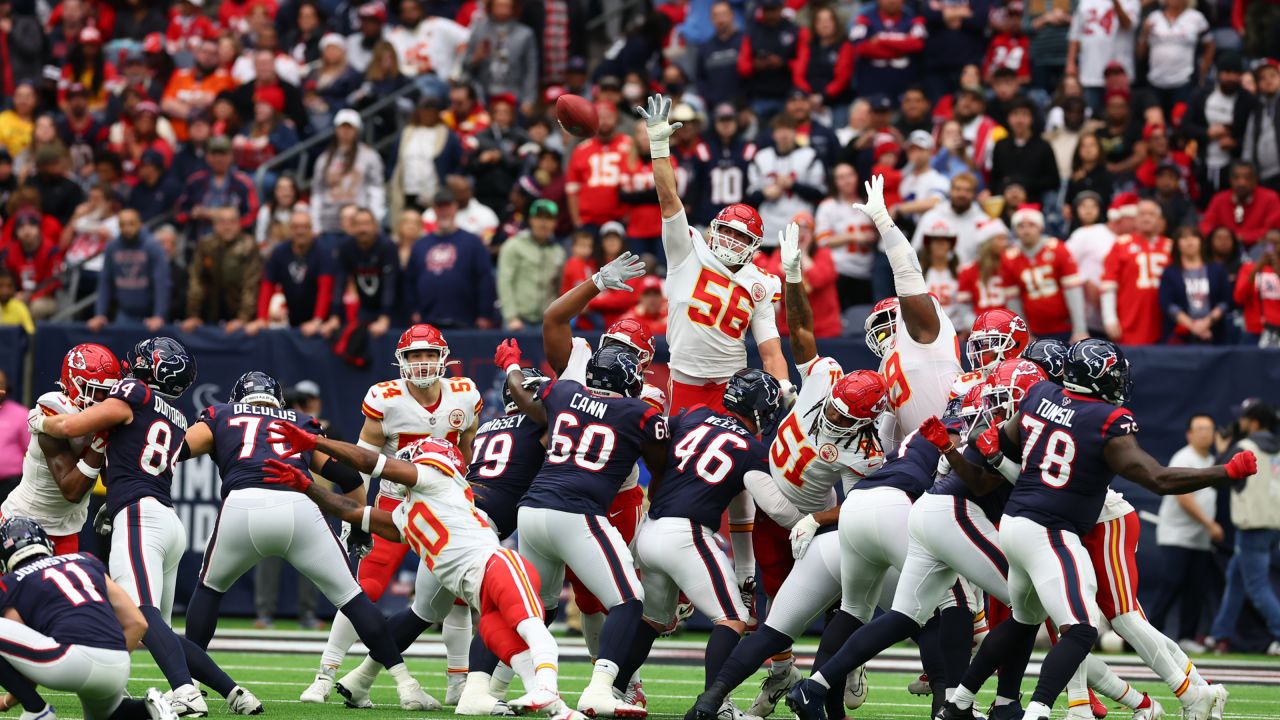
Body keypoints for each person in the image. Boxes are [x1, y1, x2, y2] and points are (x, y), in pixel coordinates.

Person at [935, 340, 1253, 720]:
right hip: (1053, 530)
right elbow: (1158, 478)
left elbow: (998, 457)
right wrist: (1224, 472)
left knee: (1027, 622)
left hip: (1019, 524)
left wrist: (978, 451)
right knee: (1086, 629)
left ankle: (960, 704)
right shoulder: (1106, 421)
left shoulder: (1038, 396)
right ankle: (1041, 712)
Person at [32, 337, 263, 717]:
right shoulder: (177, 416)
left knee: (139, 614)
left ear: (151, 366)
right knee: (158, 631)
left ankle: (186, 692)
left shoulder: (133, 393)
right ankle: (234, 691)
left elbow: (72, 424)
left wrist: (40, 419)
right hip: (167, 521)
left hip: (139, 518)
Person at [178, 371, 437, 710]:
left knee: (209, 591)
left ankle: (190, 684)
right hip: (299, 507)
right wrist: (358, 524)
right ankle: (407, 685)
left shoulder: (221, 415)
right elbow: (347, 477)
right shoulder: (298, 420)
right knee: (354, 599)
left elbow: (177, 450)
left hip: (242, 506)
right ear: (279, 401)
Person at [299, 325, 481, 708]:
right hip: (395, 506)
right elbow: (361, 464)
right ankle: (325, 675)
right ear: (402, 360)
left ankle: (458, 682)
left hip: (442, 512)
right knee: (363, 591)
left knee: (457, 597)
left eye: (429, 355)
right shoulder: (387, 399)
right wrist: (356, 517)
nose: (422, 363)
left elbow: (467, 456)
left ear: (442, 358)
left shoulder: (463, 395)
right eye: (414, 356)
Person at [496, 333, 667, 717]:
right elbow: (661, 468)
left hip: (532, 512)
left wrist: (510, 367)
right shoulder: (640, 414)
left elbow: (525, 400)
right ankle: (600, 689)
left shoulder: (564, 392)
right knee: (628, 601)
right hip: (578, 513)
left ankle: (495, 687)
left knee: (532, 610)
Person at [622, 368, 784, 717]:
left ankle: (615, 688)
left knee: (653, 619)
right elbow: (772, 507)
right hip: (687, 535)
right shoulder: (752, 449)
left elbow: (659, 443)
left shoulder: (694, 416)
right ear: (757, 408)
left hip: (650, 530)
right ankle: (717, 704)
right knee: (733, 618)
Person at [636, 94, 790, 412]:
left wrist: (783, 385)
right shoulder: (687, 250)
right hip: (685, 382)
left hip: (735, 386)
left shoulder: (761, 283)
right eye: (729, 232)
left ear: (754, 246)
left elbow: (771, 351)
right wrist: (659, 149)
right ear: (713, 229)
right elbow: (668, 199)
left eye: (741, 236)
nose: (732, 241)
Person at [0, 517, 175, 720]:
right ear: (46, 543)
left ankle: (37, 711)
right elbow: (138, 622)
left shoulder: (11, 584)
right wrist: (107, 660)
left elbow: (23, 664)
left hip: (67, 660)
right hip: (116, 662)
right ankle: (147, 709)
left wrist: (10, 701)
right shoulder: (86, 560)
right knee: (107, 715)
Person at [1, 344, 115, 553]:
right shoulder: (56, 409)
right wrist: (100, 443)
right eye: (97, 392)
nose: (103, 400)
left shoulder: (103, 417)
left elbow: (109, 479)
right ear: (74, 384)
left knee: (63, 586)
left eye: (108, 393)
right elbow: (72, 490)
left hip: (66, 529)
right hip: (23, 523)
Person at [1207, 402, 1280, 654]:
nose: (1240, 424)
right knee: (1236, 578)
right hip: (1273, 525)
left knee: (1257, 586)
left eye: (1244, 419)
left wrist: (1222, 448)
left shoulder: (1244, 447)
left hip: (1252, 526)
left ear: (1255, 423)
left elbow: (1216, 476)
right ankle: (1220, 635)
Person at [1149, 414, 1222, 652]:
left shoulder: (1213, 460)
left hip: (1199, 540)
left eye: (1208, 429)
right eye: (1199, 429)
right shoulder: (1183, 457)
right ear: (1189, 434)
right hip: (1176, 536)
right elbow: (1183, 497)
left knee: (1196, 588)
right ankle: (1151, 634)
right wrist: (1209, 525)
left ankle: (1187, 637)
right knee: (1172, 584)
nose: (1204, 433)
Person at [405, 188, 496, 329]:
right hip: (427, 323)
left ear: (455, 208)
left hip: (466, 321)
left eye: (447, 206)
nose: (444, 212)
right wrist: (413, 310)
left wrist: (485, 314)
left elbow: (485, 279)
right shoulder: (420, 245)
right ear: (434, 210)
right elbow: (410, 280)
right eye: (440, 207)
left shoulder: (473, 242)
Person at [1000, 204, 1088, 342]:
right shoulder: (1009, 257)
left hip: (1065, 328)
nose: (1026, 230)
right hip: (1036, 331)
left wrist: (1080, 329)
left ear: (1040, 227)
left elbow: (1073, 291)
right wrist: (1024, 333)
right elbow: (1013, 299)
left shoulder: (1057, 248)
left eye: (1031, 225)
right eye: (1021, 226)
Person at [754, 213, 840, 338]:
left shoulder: (823, 254)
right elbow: (770, 279)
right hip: (790, 329)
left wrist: (803, 254)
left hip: (824, 330)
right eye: (798, 230)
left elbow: (819, 280)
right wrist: (788, 262)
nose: (801, 234)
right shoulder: (780, 253)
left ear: (813, 234)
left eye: (806, 230)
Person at [1101, 199, 1173, 345]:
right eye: (1142, 214)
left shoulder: (1170, 246)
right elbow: (1108, 284)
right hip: (1131, 316)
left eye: (1151, 214)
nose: (1146, 218)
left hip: (1165, 317)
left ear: (1159, 220)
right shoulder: (1121, 244)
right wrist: (1110, 318)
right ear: (1135, 219)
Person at [183, 207, 264, 335]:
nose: (227, 227)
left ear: (239, 224)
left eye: (232, 222)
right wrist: (193, 315)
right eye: (222, 222)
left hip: (240, 315)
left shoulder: (249, 247)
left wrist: (243, 318)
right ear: (215, 225)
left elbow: (251, 285)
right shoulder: (205, 245)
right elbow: (196, 281)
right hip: (209, 315)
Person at [747, 114, 826, 245]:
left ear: (795, 132)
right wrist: (764, 194)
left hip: (799, 226)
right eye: (780, 130)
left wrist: (793, 185)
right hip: (768, 228)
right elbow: (751, 196)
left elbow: (819, 192)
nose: (784, 134)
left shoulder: (809, 155)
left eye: (788, 129)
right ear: (774, 134)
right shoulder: (761, 157)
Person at [86, 210, 169, 333]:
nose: (127, 228)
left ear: (140, 224)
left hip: (150, 317)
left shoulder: (153, 246)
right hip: (124, 314)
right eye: (123, 224)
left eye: (131, 224)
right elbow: (105, 282)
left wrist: (159, 315)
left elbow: (161, 283)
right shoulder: (112, 247)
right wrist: (100, 314)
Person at [311, 110, 386, 235]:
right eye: (342, 127)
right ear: (336, 129)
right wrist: (315, 224)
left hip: (358, 221)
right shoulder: (324, 159)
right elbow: (317, 192)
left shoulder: (369, 156)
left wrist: (374, 218)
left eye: (350, 127)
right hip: (328, 222)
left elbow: (376, 189)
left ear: (357, 130)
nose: (346, 131)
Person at [497, 199, 566, 330]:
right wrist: (511, 317)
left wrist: (557, 319)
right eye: (539, 217)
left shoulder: (558, 251)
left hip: (547, 323)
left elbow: (559, 288)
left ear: (555, 223)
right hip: (518, 321)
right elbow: (504, 282)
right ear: (530, 220)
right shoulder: (514, 245)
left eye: (549, 218)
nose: (543, 223)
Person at [175, 136, 260, 242]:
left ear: (231, 156)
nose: (219, 159)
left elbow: (253, 215)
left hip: (235, 244)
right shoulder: (195, 181)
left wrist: (229, 221)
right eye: (214, 154)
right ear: (207, 157)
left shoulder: (243, 182)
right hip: (200, 241)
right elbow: (179, 213)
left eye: (223, 154)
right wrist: (193, 213)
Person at [816, 163, 877, 309]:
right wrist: (852, 236)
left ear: (857, 176)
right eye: (841, 177)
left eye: (850, 175)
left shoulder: (870, 203)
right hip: (840, 271)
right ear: (835, 182)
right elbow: (821, 240)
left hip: (866, 272)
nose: (847, 180)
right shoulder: (828, 206)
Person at [1158, 227, 1231, 344]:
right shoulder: (1170, 272)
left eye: (1193, 237)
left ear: (1201, 242)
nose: (1189, 241)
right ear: (1177, 244)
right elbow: (1168, 304)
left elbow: (1225, 301)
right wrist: (1193, 326)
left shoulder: (1217, 270)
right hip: (1180, 337)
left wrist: (1206, 323)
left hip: (1214, 334)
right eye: (1184, 238)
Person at [464, 0, 538, 111]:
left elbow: (531, 69)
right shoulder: (479, 31)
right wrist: (476, 58)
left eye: (506, 6)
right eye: (498, 5)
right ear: (490, 6)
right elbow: (464, 66)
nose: (502, 9)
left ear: (514, 8)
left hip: (514, 93)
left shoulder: (525, 34)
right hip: (483, 94)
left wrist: (529, 99)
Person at [565, 103, 629, 229]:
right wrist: (576, 219)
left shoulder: (630, 145)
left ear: (616, 118)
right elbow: (572, 188)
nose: (604, 121)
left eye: (608, 116)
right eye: (600, 117)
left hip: (620, 218)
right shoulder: (581, 149)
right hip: (588, 220)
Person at [736, 0, 799, 120]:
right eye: (767, 10)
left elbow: (804, 65)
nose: (770, 14)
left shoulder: (793, 30)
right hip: (759, 96)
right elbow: (743, 66)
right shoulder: (753, 31)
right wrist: (755, 65)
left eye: (773, 10)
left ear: (781, 8)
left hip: (787, 96)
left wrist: (783, 63)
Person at [1199, 161, 1280, 249]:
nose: (1241, 183)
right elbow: (1205, 226)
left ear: (1255, 180)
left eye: (1247, 178)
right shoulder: (1219, 199)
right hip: (1226, 249)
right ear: (1230, 180)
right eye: (1236, 178)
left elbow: (1272, 230)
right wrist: (1221, 238)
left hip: (1259, 246)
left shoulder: (1270, 198)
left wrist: (1241, 237)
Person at [912, 173, 989, 264]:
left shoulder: (984, 221)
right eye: (958, 189)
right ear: (950, 191)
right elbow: (915, 252)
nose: (962, 194)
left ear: (974, 194)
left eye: (968, 190)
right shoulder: (931, 217)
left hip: (971, 276)